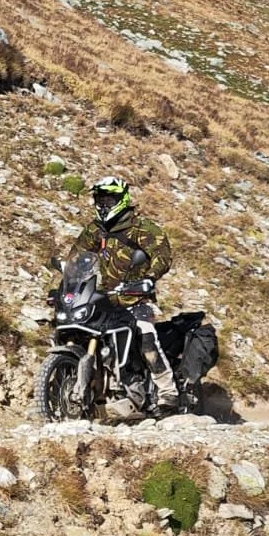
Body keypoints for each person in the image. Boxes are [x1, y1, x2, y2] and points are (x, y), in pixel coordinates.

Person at [74, 175, 179, 414]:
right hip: (101, 300)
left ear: (122, 199)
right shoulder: (95, 230)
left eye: (109, 199)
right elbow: (76, 258)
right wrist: (63, 285)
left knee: (146, 337)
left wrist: (149, 279)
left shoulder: (142, 228)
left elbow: (162, 256)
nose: (103, 205)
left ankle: (168, 393)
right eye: (100, 199)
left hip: (136, 299)